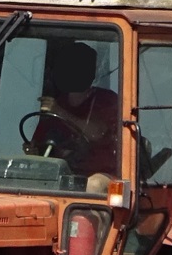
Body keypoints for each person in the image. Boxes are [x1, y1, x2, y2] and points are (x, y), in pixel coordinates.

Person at [31, 40, 119, 182]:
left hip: (100, 173)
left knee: (94, 185)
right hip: (60, 174)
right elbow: (40, 143)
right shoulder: (58, 103)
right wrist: (33, 152)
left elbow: (97, 133)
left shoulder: (105, 100)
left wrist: (59, 111)